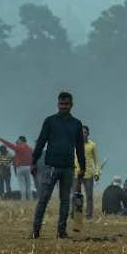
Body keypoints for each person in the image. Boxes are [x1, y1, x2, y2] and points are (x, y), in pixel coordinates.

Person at [31, 92, 86, 239]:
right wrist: (33, 161)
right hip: (51, 166)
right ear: (57, 104)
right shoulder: (50, 121)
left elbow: (80, 148)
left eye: (66, 104)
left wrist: (82, 167)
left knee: (65, 200)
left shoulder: (76, 124)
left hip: (68, 167)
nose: (64, 107)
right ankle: (35, 231)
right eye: (61, 104)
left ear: (71, 105)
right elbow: (41, 142)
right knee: (43, 198)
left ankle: (61, 231)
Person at [74, 125, 101, 219]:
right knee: (76, 195)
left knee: (89, 196)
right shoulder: (75, 144)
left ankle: (89, 216)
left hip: (89, 174)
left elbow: (97, 161)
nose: (83, 134)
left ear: (88, 134)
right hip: (77, 173)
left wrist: (97, 173)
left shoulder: (92, 145)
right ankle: (76, 214)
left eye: (85, 132)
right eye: (81, 133)